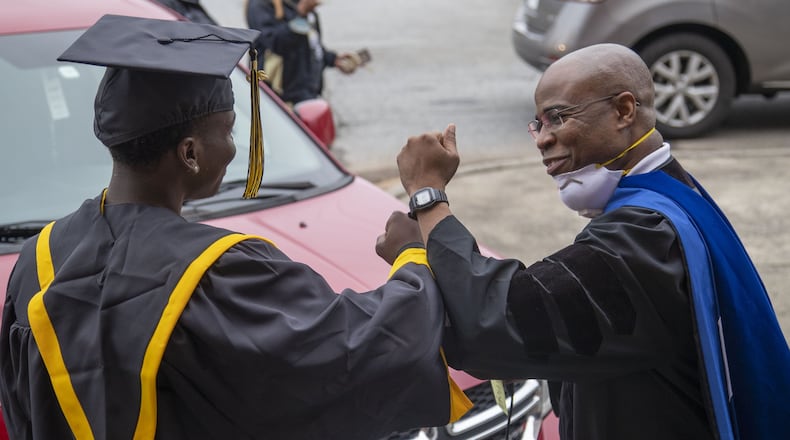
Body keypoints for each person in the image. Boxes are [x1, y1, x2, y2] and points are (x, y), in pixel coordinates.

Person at [0, 15, 470, 439]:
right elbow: (361, 347)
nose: (232, 148)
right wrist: (413, 254)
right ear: (189, 153)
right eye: (226, 131)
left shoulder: (38, 262)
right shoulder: (217, 275)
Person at [384, 43, 790, 440]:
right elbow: (569, 332)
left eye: (558, 117)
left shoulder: (646, 236)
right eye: (538, 123)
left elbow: (498, 325)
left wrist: (427, 198)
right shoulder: (675, 194)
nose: (542, 139)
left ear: (623, 110)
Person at [245, 0, 359, 105]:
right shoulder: (260, 5)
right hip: (279, 100)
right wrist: (301, 14)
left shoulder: (301, 5)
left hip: (308, 95)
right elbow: (277, 43)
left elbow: (310, 47)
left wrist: (333, 60)